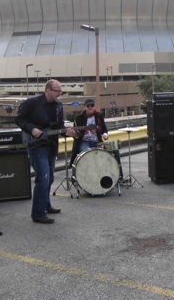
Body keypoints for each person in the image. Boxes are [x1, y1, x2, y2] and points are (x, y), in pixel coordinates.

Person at [15, 79, 77, 224]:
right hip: (35, 144)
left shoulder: (58, 105)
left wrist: (69, 132)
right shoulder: (32, 102)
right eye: (57, 91)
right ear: (48, 90)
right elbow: (19, 119)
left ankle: (46, 205)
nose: (59, 94)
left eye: (61, 91)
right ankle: (37, 213)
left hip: (51, 144)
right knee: (42, 177)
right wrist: (32, 129)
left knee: (50, 178)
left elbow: (59, 126)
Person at [69, 98, 124, 180]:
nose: (90, 107)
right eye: (88, 106)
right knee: (88, 153)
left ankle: (119, 176)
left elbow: (104, 129)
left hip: (97, 141)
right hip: (84, 141)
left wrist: (105, 134)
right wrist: (75, 134)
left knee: (115, 150)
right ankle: (88, 178)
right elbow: (76, 135)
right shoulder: (78, 118)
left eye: (92, 105)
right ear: (85, 107)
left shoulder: (99, 115)